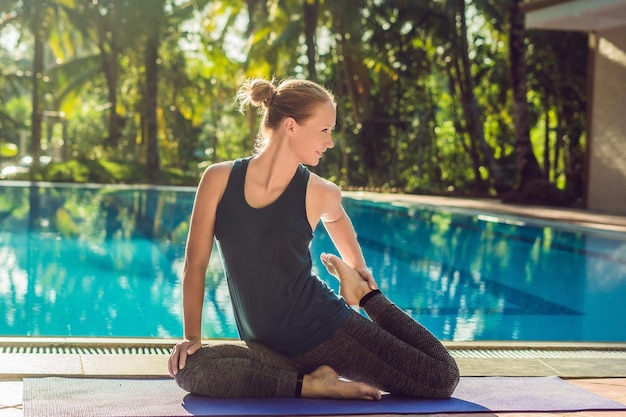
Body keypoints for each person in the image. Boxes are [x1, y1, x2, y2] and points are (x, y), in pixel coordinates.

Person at [168, 78, 459, 400]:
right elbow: (195, 264)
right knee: (190, 367)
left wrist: (359, 276)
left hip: (325, 330)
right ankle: (311, 384)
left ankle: (367, 297)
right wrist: (191, 336)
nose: (330, 141)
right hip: (267, 344)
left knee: (440, 378)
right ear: (291, 126)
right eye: (325, 130)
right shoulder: (218, 179)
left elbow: (337, 216)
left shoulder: (319, 191)